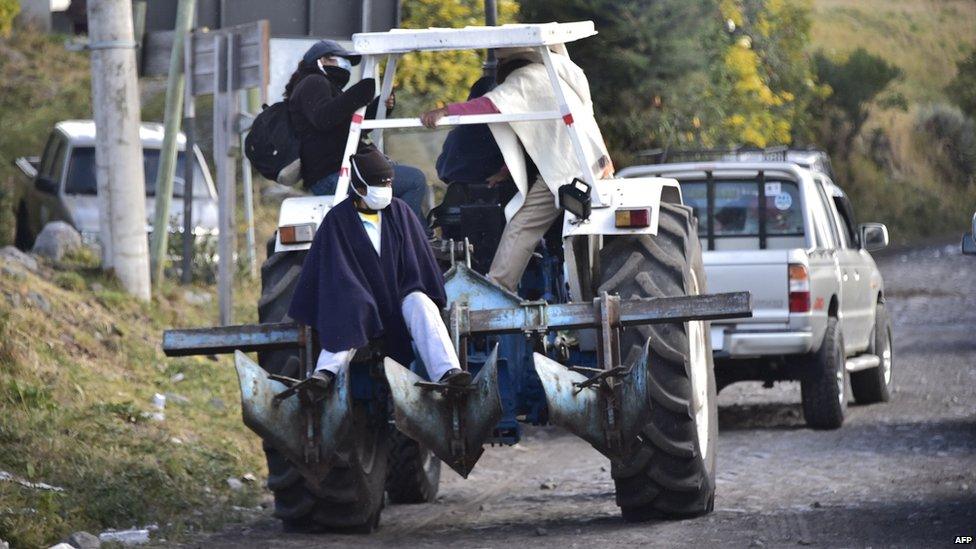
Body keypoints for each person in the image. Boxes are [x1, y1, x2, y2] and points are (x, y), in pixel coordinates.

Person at [421, 46, 614, 292]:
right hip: (591, 166)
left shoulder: (524, 80)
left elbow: (489, 105)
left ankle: (497, 288)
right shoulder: (551, 77)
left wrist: (446, 110)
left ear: (506, 66)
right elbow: (532, 138)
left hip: (565, 172)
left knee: (522, 226)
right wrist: (505, 172)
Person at [287, 147, 469, 390]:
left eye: (388, 183)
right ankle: (324, 374)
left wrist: (406, 288)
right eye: (378, 184)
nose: (385, 190)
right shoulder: (337, 220)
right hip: (359, 297)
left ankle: (447, 372)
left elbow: (417, 261)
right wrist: (357, 290)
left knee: (421, 303)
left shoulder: (401, 212)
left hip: (400, 294)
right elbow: (334, 270)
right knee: (350, 305)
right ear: (360, 187)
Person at [285, 39, 428, 221]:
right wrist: (361, 92)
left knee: (404, 179)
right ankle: (413, 241)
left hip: (336, 171)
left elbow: (347, 127)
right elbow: (324, 118)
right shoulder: (313, 82)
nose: (346, 66)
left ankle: (402, 237)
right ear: (322, 60)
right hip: (334, 174)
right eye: (341, 60)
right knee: (414, 180)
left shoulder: (322, 86)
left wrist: (380, 106)